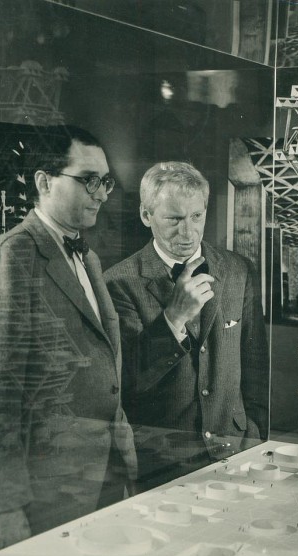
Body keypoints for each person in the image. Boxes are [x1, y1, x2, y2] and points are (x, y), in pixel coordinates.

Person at [0, 125, 137, 549]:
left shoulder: (88, 256)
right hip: (46, 488)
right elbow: (2, 387)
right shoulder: (14, 254)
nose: (101, 193)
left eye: (106, 181)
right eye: (88, 180)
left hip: (104, 470)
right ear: (44, 182)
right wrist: (5, 504)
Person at [104, 162, 268, 485]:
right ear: (146, 216)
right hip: (162, 464)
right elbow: (127, 385)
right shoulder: (117, 283)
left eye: (197, 216)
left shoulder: (238, 271)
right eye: (174, 219)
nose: (188, 232)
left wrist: (256, 440)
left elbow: (256, 370)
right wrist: (173, 318)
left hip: (236, 454)